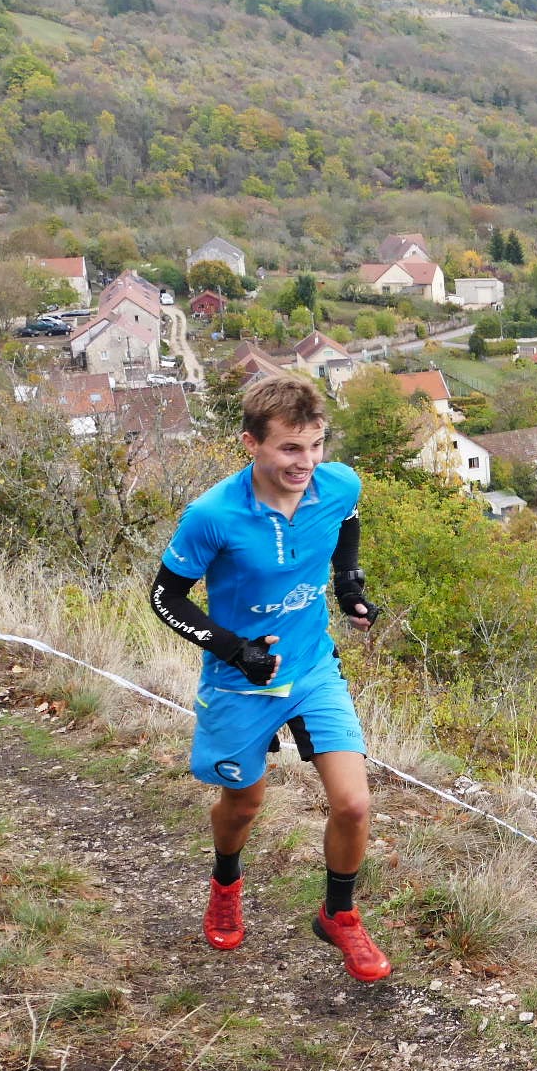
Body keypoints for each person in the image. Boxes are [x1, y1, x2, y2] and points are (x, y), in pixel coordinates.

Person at [149, 373, 389, 982]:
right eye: (289, 448)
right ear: (252, 441)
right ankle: (226, 882)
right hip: (239, 682)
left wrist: (349, 585)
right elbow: (165, 596)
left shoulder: (338, 485)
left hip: (312, 667)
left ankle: (339, 913)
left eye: (315, 445)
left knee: (354, 803)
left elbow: (348, 521)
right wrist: (234, 650)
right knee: (244, 802)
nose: (305, 462)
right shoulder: (213, 515)